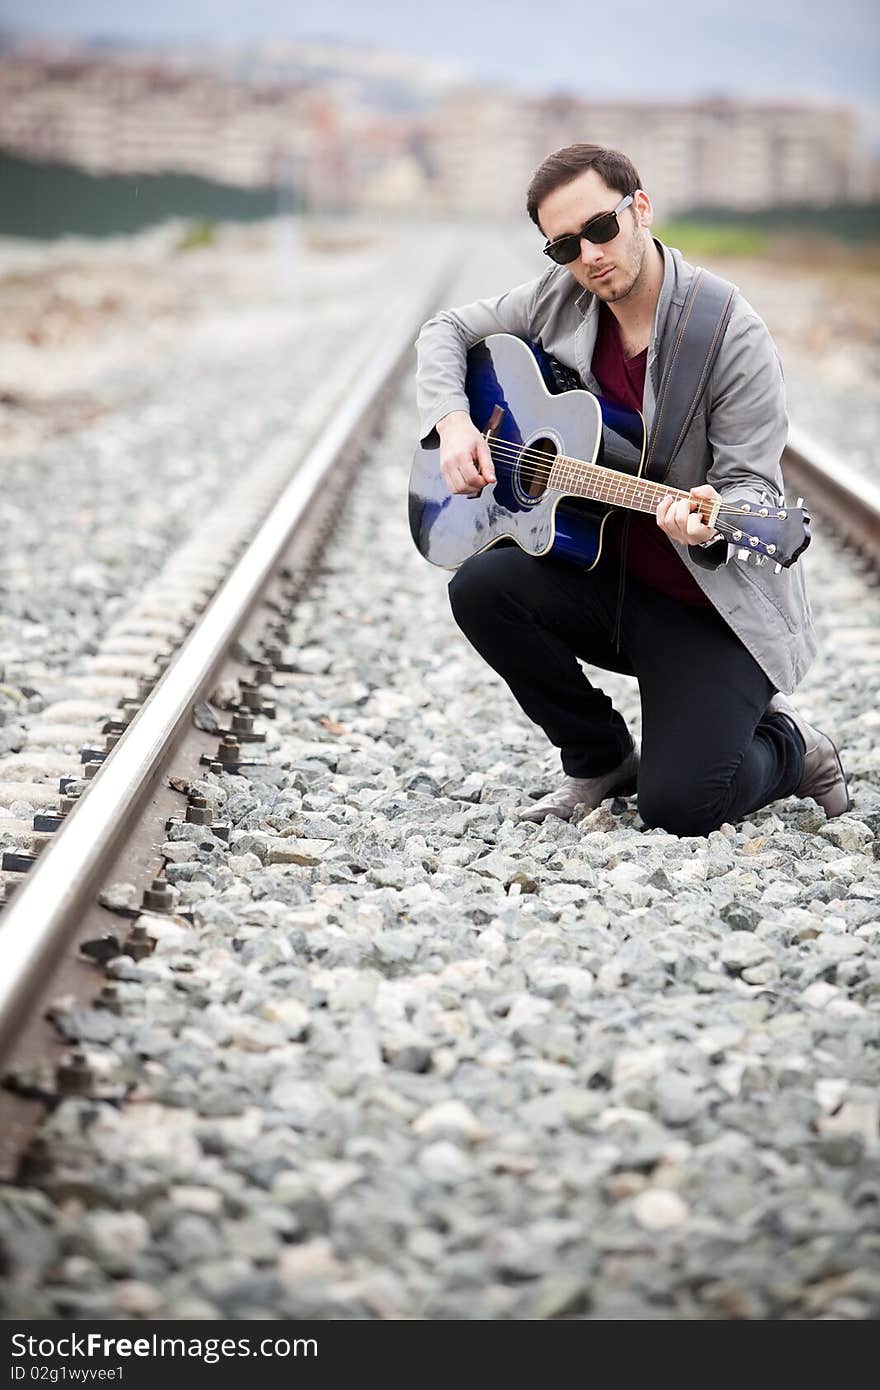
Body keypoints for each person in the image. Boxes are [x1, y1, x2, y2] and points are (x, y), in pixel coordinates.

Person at [414, 143, 849, 834]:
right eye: (563, 246)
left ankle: (793, 749)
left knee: (681, 808)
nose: (589, 255)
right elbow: (446, 330)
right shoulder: (561, 298)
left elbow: (753, 492)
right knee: (480, 587)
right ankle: (600, 757)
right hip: (605, 580)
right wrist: (455, 422)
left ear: (639, 209)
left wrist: (711, 520)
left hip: (708, 611)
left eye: (600, 228)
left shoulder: (729, 333)